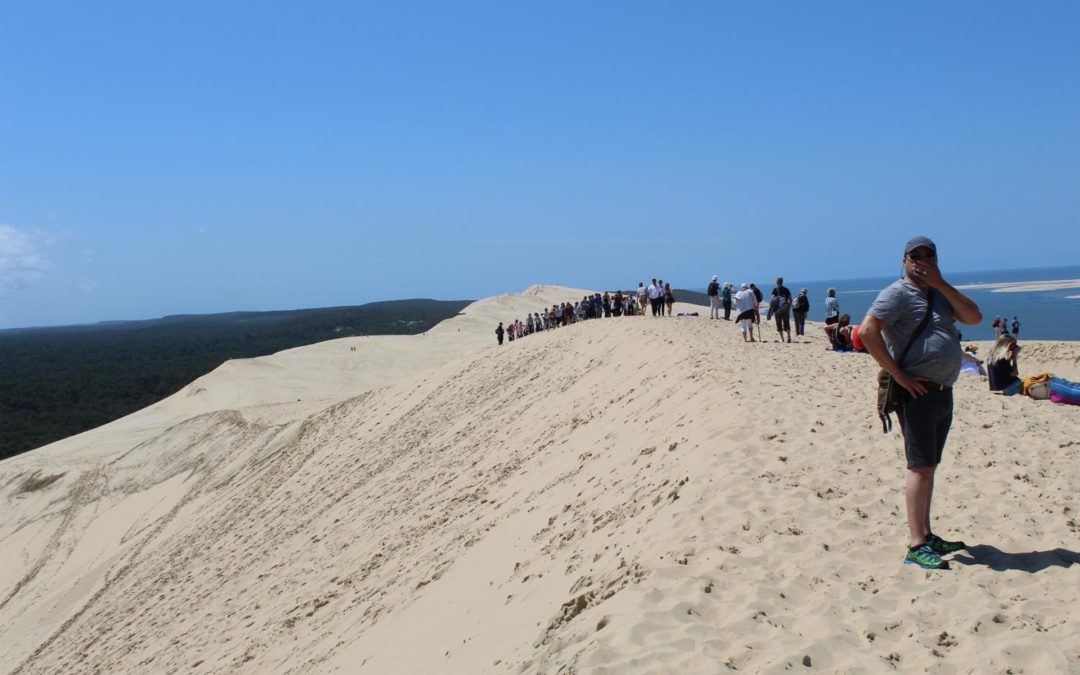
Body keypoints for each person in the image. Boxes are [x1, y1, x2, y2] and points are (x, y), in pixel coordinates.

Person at [859, 236, 982, 570]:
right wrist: (898, 375)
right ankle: (916, 544)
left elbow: (974, 318)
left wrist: (940, 283)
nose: (922, 260)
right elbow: (867, 331)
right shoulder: (897, 293)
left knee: (929, 467)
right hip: (917, 393)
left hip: (943, 390)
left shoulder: (939, 293)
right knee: (919, 466)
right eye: (916, 256)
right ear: (904, 259)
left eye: (929, 255)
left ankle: (927, 535)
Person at [773, 277, 792, 343]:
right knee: (786, 322)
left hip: (778, 310)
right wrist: (788, 307)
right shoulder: (786, 289)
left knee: (779, 323)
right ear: (782, 282)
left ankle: (782, 338)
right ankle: (789, 337)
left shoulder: (775, 290)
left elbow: (772, 300)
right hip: (785, 308)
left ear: (776, 282)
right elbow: (790, 299)